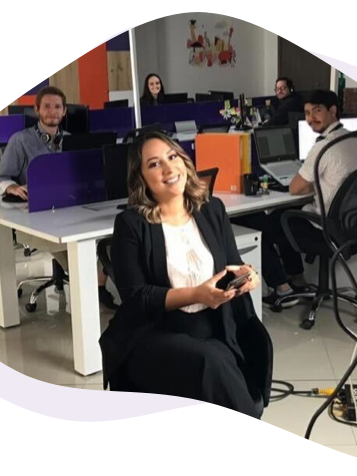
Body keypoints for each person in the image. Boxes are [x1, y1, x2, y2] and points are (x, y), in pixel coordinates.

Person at [99, 131, 273, 418]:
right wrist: (196, 294)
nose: (168, 169)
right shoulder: (131, 224)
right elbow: (137, 299)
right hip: (154, 332)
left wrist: (248, 275)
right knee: (211, 362)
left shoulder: (211, 209)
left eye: (172, 156)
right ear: (140, 176)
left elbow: (233, 265)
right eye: (154, 164)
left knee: (223, 361)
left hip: (213, 325)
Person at [236, 90, 357, 306]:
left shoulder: (323, 145)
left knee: (267, 223)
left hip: (326, 229)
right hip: (352, 227)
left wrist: (307, 180)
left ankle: (282, 288)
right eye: (306, 113)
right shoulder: (354, 140)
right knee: (283, 216)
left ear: (333, 111)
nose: (310, 118)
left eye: (317, 111)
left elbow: (295, 188)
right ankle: (297, 279)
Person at [0, 86, 117, 309]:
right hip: (36, 218)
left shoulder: (71, 141)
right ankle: (90, 296)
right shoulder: (20, 141)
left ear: (64, 111)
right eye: (47, 107)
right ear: (37, 110)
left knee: (115, 239)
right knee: (79, 256)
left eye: (57, 107)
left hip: (71, 210)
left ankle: (95, 285)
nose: (52, 112)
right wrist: (11, 187)